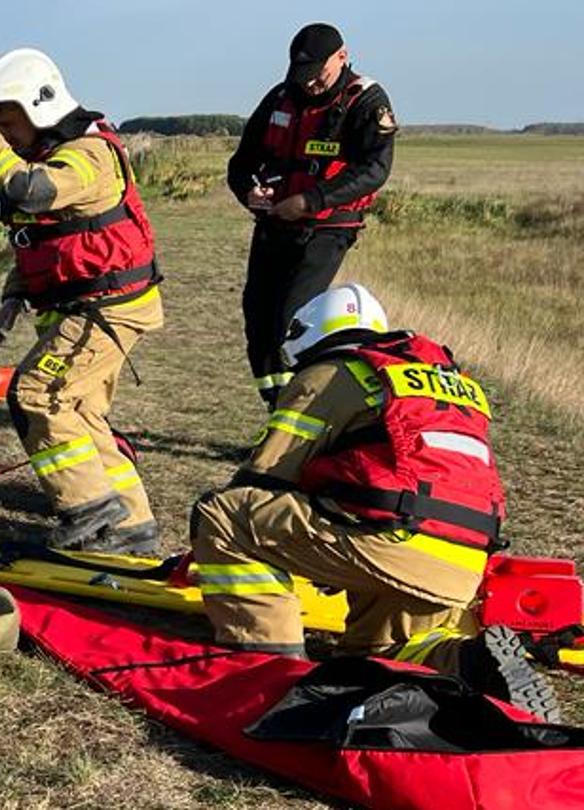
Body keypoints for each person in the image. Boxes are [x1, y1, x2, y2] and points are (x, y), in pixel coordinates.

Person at [188, 284, 557, 721]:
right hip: (464, 562)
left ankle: (269, 664)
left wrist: (218, 547)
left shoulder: (330, 374)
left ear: (307, 338)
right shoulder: (450, 382)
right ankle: (470, 664)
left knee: (224, 515)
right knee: (377, 651)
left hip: (391, 540)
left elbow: (264, 477)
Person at [0, 47, 163, 553]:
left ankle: (91, 515)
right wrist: (15, 293)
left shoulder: (87, 155)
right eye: (0, 127)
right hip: (90, 305)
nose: (5, 137)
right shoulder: (55, 151)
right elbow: (46, 236)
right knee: (80, 413)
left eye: (9, 124)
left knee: (37, 396)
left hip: (107, 308)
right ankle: (132, 526)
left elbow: (27, 192)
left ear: (39, 109)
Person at [227, 22, 398, 405]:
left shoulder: (366, 101)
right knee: (258, 321)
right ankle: (278, 414)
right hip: (274, 225)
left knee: (293, 321)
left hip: (326, 229)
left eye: (317, 75)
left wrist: (311, 201)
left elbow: (375, 170)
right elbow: (240, 163)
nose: (310, 85)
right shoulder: (280, 97)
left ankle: (313, 417)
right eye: (302, 76)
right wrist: (248, 192)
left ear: (342, 57)